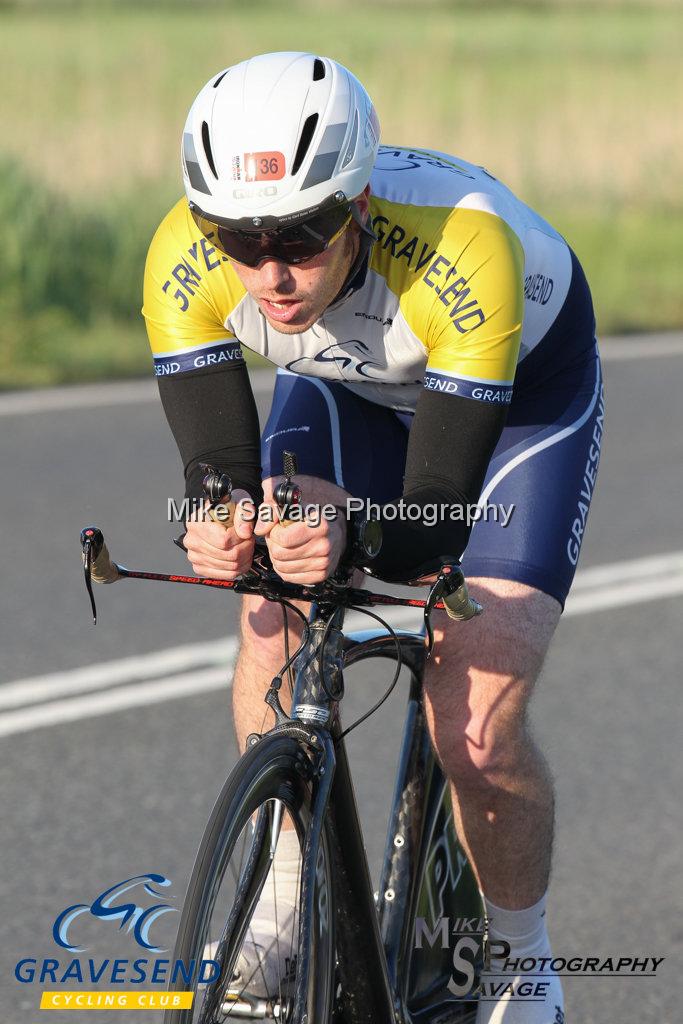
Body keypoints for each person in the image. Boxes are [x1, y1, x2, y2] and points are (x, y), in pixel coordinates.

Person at [142, 51, 604, 1023]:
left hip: (516, 405)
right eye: (238, 237)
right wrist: (218, 523)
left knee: (475, 719)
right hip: (349, 380)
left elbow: (436, 517)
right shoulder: (179, 259)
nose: (270, 271)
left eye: (303, 235)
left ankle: (523, 965)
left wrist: (352, 530)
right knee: (268, 601)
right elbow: (214, 474)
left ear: (355, 207)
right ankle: (277, 900)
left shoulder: (462, 245)